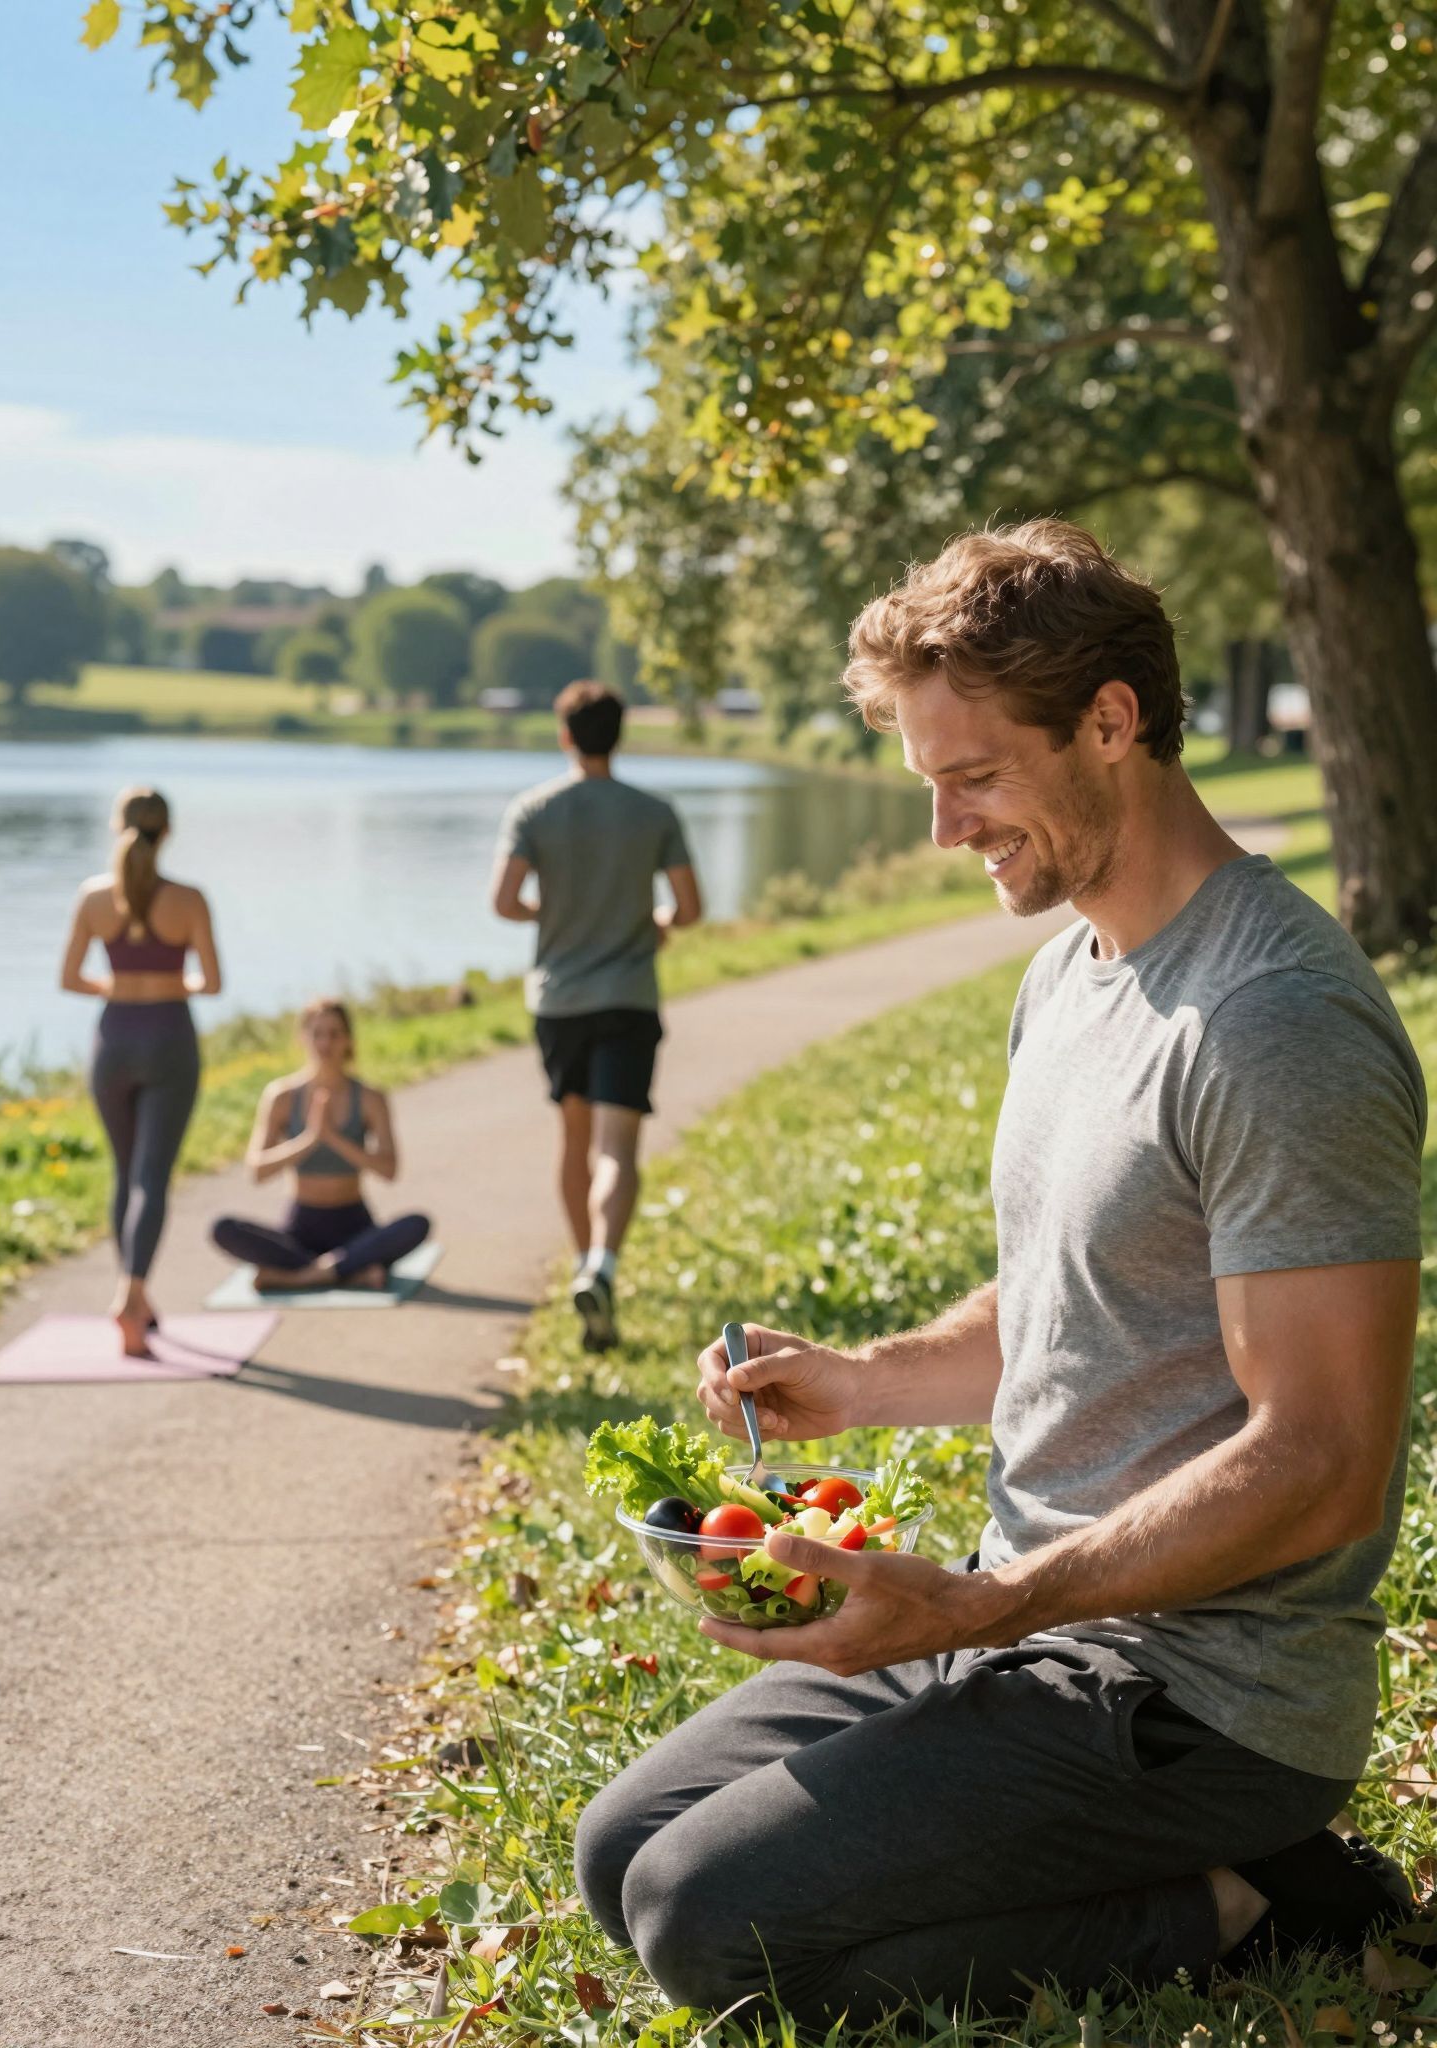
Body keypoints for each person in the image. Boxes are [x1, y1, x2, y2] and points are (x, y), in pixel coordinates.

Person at [575, 522, 1427, 2025]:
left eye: (974, 778)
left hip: (1199, 1697)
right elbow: (1069, 1301)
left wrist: (984, 1610)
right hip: (1030, 1628)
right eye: (928, 784)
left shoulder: (1275, 1021)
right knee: (621, 1854)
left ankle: (1249, 1900)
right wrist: (858, 1383)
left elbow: (1326, 1464)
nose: (945, 829)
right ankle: (1181, 1873)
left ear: (1113, 722)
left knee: (714, 1930)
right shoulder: (1071, 972)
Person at [492, 681, 701, 1351]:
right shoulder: (653, 812)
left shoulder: (534, 809)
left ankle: (588, 1270)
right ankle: (601, 1267)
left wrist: (546, 912)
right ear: (620, 734)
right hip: (629, 995)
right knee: (618, 1146)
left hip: (559, 1001)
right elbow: (689, 909)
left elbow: (503, 900)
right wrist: (657, 923)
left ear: (565, 735)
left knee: (574, 1139)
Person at [59, 786, 223, 1355]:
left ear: (117, 825)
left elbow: (72, 978)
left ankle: (134, 1293)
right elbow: (212, 981)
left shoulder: (94, 897)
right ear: (168, 831)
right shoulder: (189, 900)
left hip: (114, 1040)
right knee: (151, 1178)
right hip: (169, 1039)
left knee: (123, 1174)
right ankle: (132, 1296)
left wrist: (121, 983)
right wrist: (166, 982)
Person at [210, 998, 430, 1291]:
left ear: (348, 1040)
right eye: (317, 1034)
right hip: (301, 1227)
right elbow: (257, 1171)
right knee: (223, 1228)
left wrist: (334, 1138)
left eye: (335, 1034)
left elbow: (389, 1170)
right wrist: (309, 1139)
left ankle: (303, 1275)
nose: (325, 1043)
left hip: (355, 1224)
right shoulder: (282, 1096)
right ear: (303, 1038)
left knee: (417, 1224)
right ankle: (348, 1272)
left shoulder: (369, 1098)